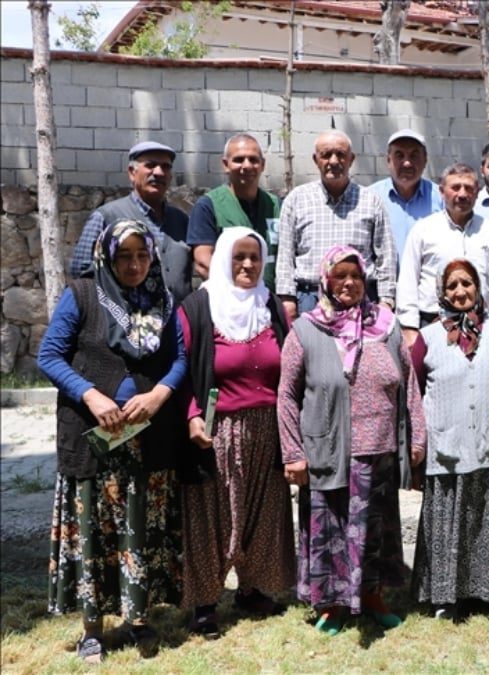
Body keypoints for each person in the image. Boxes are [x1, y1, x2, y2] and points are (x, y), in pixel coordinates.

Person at [39, 219, 187, 663]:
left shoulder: (164, 300)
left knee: (140, 527)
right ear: (107, 256)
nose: (134, 264)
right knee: (93, 534)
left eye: (142, 255)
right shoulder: (83, 295)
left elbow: (180, 358)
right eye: (124, 255)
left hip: (147, 439)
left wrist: (159, 394)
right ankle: (92, 630)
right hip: (94, 442)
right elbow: (49, 355)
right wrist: (90, 394)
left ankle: (138, 619)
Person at [277, 245, 422, 635]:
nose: (349, 283)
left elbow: (409, 383)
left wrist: (417, 438)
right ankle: (332, 605)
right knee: (332, 529)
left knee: (374, 530)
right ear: (325, 280)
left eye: (356, 276)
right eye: (340, 275)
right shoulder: (306, 330)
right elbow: (286, 395)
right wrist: (293, 452)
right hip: (330, 450)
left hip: (381, 451)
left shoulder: (386, 325)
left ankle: (372, 597)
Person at [177, 227, 296, 638]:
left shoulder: (272, 307)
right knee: (212, 515)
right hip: (217, 429)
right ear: (223, 259)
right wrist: (192, 415)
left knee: (263, 510)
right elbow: (181, 368)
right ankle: (205, 603)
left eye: (255, 257)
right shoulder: (199, 307)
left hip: (268, 426)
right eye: (238, 257)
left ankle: (252, 590)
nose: (248, 265)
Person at [410, 259, 489, 620]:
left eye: (467, 283)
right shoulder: (428, 338)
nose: (460, 292)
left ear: (479, 287)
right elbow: (413, 393)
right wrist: (416, 444)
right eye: (452, 286)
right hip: (448, 445)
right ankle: (446, 597)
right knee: (449, 524)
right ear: (442, 293)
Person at [276, 130, 396, 318]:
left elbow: (385, 256)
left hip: (359, 299)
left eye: (340, 154)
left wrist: (386, 300)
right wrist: (287, 298)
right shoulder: (297, 200)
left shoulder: (371, 201)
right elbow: (285, 255)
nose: (333, 161)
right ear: (316, 160)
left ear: (351, 159)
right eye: (326, 155)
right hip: (310, 299)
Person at [397, 163, 489, 345]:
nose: (462, 194)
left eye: (468, 188)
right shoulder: (423, 230)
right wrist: (409, 327)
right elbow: (408, 281)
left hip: (484, 324)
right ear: (441, 191)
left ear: (477, 192)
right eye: (455, 187)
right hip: (433, 323)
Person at [69, 141, 193, 304]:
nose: (159, 172)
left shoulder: (181, 221)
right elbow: (81, 272)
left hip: (177, 318)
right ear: (132, 173)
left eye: (166, 167)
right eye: (150, 165)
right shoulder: (106, 217)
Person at [187, 133, 281, 288]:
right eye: (239, 159)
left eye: (253, 160)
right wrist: (237, 294)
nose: (247, 165)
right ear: (225, 165)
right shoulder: (208, 206)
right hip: (227, 299)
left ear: (263, 165)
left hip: (269, 298)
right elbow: (203, 263)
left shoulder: (276, 206)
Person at [368, 129, 444, 267]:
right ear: (388, 160)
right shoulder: (370, 197)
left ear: (425, 160)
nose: (407, 163)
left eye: (414, 156)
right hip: (383, 280)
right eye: (399, 155)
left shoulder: (441, 198)